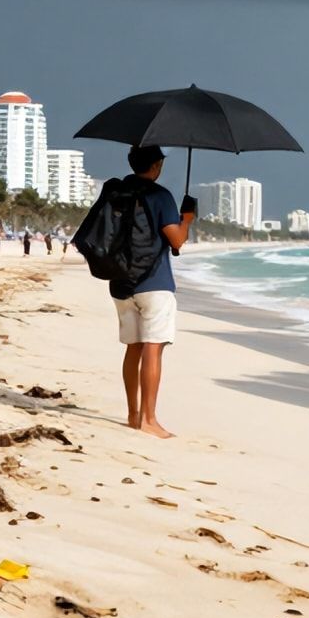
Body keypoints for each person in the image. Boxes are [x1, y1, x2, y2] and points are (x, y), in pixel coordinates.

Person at [111, 144, 196, 438]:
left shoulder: (117, 192)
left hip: (121, 282)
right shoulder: (160, 196)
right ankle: (149, 419)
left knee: (133, 347)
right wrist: (187, 219)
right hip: (154, 283)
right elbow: (176, 241)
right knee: (153, 347)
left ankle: (133, 414)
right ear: (157, 165)